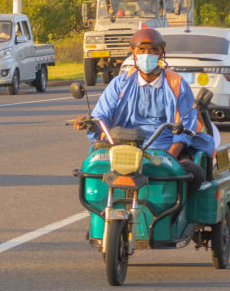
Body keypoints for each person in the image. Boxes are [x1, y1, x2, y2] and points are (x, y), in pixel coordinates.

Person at [76, 26, 216, 192]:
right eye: (142, 50)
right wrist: (90, 123)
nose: (147, 55)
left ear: (161, 52)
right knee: (91, 170)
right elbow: (102, 116)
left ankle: (176, 216)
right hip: (121, 149)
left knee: (192, 174)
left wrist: (170, 158)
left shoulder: (177, 84)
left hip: (163, 152)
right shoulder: (120, 84)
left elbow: (186, 126)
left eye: (152, 50)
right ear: (133, 52)